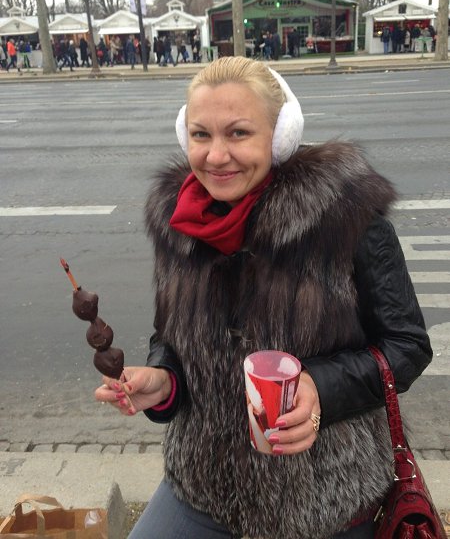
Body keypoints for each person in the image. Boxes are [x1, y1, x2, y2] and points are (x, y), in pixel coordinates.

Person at [95, 56, 432, 539]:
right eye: (201, 135)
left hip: (324, 498)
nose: (216, 156)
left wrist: (321, 390)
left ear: (280, 137)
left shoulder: (348, 217)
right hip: (204, 487)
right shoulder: (179, 223)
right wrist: (164, 378)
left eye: (238, 133)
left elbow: (407, 345)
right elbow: (170, 334)